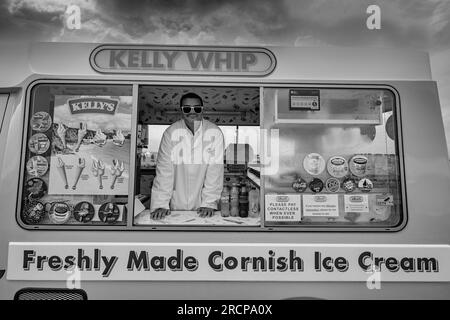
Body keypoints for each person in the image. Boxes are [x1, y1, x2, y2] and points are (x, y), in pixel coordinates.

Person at [150, 92, 224, 220]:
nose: (192, 112)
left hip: (204, 208)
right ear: (181, 110)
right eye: (187, 108)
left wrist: (209, 203)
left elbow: (215, 172)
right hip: (176, 204)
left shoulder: (214, 133)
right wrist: (160, 204)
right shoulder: (171, 133)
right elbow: (164, 171)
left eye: (197, 108)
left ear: (202, 110)